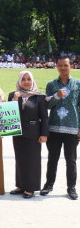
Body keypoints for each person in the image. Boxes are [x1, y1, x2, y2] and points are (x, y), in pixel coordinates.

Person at [41, 55, 80, 200]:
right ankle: (49, 184)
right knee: (52, 158)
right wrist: (56, 96)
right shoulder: (51, 85)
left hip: (72, 127)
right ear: (56, 66)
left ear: (71, 66)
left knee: (71, 160)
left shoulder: (77, 84)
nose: (63, 68)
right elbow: (47, 105)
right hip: (54, 128)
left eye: (66, 65)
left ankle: (71, 187)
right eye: (60, 65)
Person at [9, 71, 48, 198]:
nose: (26, 82)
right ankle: (20, 185)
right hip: (18, 132)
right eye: (23, 79)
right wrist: (15, 100)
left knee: (32, 160)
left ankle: (30, 188)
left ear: (32, 81)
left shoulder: (39, 97)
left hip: (34, 132)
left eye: (28, 79)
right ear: (19, 81)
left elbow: (44, 117)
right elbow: (9, 114)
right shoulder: (13, 95)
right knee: (20, 159)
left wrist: (44, 134)